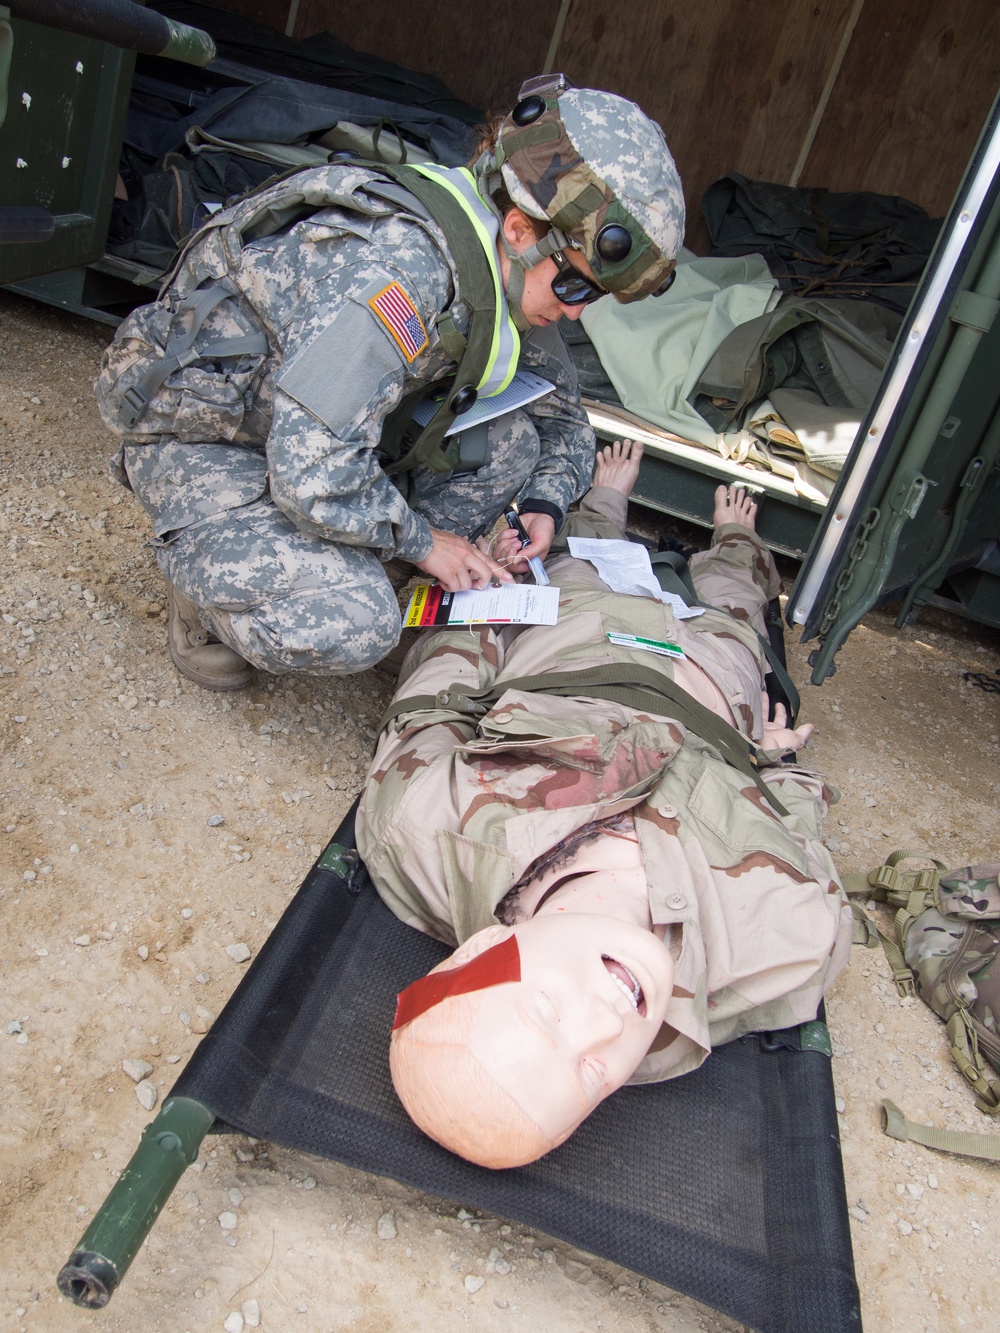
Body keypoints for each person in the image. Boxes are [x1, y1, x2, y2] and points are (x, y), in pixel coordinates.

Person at [95, 76, 685, 690]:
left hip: (313, 438)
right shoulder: (399, 274)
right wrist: (427, 543)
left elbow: (564, 423)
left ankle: (350, 567)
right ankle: (213, 586)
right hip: (215, 446)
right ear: (520, 229)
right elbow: (312, 474)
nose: (575, 311)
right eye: (577, 287)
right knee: (355, 624)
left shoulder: (515, 277)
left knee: (515, 444)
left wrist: (544, 504)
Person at [356, 446, 853, 1168]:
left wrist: (489, 628)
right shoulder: (787, 942)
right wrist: (779, 764)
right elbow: (801, 835)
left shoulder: (423, 828)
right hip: (719, 686)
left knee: (580, 558)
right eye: (590, 1076)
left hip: (579, 644)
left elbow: (429, 703)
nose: (605, 1024)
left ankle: (605, 503)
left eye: (548, 1013)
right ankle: (735, 538)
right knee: (739, 608)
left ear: (488, 950)